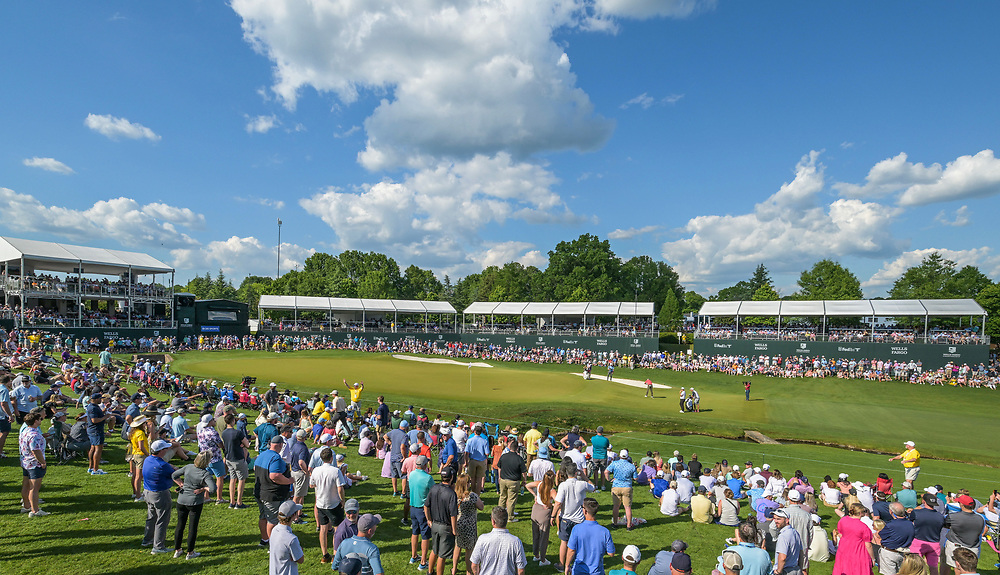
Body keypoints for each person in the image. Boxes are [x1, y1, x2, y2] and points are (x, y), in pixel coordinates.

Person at [171, 451, 216, 559]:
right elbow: (213, 489)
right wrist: (203, 488)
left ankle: (177, 550)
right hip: (195, 503)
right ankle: (190, 552)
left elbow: (174, 475)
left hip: (181, 500)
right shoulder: (205, 474)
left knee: (180, 525)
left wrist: (181, 484)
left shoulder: (188, 467)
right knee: (192, 527)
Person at [552, 460, 596, 571]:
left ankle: (562, 565)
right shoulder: (582, 484)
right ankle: (577, 564)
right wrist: (585, 477)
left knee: (564, 542)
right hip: (579, 519)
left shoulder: (563, 485)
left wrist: (553, 516)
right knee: (578, 543)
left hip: (566, 518)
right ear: (576, 472)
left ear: (567, 473)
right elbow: (593, 487)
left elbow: (558, 502)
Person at [255, 435, 293, 547]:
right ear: (281, 445)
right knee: (272, 520)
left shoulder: (262, 455)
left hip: (259, 492)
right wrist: (289, 481)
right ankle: (273, 545)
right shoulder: (276, 458)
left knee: (262, 517)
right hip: (271, 494)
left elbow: (254, 468)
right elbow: (275, 476)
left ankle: (264, 539)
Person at [311, 447, 346, 563]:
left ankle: (325, 555)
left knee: (323, 529)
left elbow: (312, 485)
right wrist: (343, 500)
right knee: (337, 530)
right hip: (334, 503)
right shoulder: (335, 471)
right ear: (331, 458)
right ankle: (336, 554)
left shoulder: (316, 470)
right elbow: (340, 488)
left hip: (321, 503)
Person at [470, 506, 528, 575]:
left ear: (493, 521)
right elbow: (521, 570)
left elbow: (474, 565)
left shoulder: (482, 539)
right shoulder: (516, 541)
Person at [142, 439, 176, 554]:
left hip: (147, 492)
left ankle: (147, 539)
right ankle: (158, 546)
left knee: (151, 517)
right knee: (162, 519)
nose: (167, 450)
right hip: (160, 494)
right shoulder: (162, 465)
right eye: (166, 448)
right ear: (161, 451)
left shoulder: (148, 460)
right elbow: (174, 475)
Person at [565, 498, 615, 575]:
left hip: (579, 570)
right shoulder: (605, 532)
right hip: (597, 572)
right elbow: (611, 553)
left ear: (585, 511)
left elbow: (571, 550)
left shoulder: (577, 529)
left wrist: (567, 565)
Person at [426, 466, 459, 575]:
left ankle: (430, 572)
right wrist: (454, 530)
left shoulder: (434, 488)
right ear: (451, 477)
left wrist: (429, 520)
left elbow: (426, 506)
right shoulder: (451, 494)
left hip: (434, 524)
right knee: (442, 555)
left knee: (434, 550)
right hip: (446, 527)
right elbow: (453, 514)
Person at [942, 495, 986, 575]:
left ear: (962, 504)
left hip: (956, 546)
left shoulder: (953, 517)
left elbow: (945, 525)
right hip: (973, 548)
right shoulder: (981, 518)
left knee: (957, 569)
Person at [19, 410, 48, 517]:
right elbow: (35, 450)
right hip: (34, 464)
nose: (41, 420)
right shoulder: (34, 435)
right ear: (35, 421)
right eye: (40, 419)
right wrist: (43, 462)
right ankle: (35, 510)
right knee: (34, 488)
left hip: (25, 462)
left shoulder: (24, 432)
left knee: (26, 485)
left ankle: (26, 506)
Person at [832, 503, 875, 575]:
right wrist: (873, 558)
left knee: (844, 568)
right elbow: (868, 545)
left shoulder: (843, 520)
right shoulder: (864, 527)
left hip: (844, 549)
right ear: (860, 513)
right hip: (858, 552)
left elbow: (840, 534)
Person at [408, 455, 435, 570]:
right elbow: (434, 492)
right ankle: (423, 562)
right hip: (423, 509)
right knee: (425, 535)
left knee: (415, 532)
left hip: (413, 507)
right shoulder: (428, 478)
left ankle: (414, 556)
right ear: (425, 465)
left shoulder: (412, 474)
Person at [455, 472, 485, 573]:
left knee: (458, 547)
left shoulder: (455, 495)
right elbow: (481, 507)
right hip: (470, 525)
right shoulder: (472, 496)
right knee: (469, 550)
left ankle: (454, 569)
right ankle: (469, 571)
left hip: (458, 523)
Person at [527, 469, 557, 566]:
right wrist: (550, 504)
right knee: (544, 537)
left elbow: (527, 485)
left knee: (535, 535)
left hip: (535, 510)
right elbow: (558, 502)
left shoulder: (539, 484)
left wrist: (535, 495)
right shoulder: (552, 491)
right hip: (544, 513)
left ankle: (536, 555)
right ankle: (543, 560)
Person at [910, 494, 946, 575]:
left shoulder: (916, 513)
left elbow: (910, 522)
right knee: (934, 568)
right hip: (934, 544)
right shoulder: (940, 516)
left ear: (924, 501)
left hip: (918, 542)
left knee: (915, 567)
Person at [876, 502, 915, 575]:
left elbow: (880, 535)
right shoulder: (910, 524)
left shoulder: (891, 525)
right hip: (903, 552)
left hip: (890, 553)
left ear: (891, 511)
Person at [221, 412, 250, 509]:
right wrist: (242, 444)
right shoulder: (238, 433)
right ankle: (239, 502)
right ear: (233, 421)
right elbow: (248, 444)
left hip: (229, 458)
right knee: (241, 480)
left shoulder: (224, 433)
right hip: (238, 458)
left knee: (232, 479)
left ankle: (232, 502)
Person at [270, 501, 306, 575]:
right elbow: (300, 560)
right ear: (293, 515)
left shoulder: (274, 530)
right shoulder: (292, 539)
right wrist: (300, 549)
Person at [605, 448, 637, 530]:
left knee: (616, 506)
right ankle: (629, 526)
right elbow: (635, 478)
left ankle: (615, 524)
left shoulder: (615, 463)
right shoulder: (631, 466)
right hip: (627, 487)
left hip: (616, 487)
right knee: (627, 507)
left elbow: (606, 471)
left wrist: (609, 479)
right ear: (627, 456)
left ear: (620, 455)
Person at [498, 435, 527, 521]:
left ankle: (499, 515)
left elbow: (499, 467)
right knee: (511, 499)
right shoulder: (519, 459)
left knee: (502, 497)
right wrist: (524, 481)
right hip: (514, 481)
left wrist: (499, 477)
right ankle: (510, 517)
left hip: (503, 479)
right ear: (517, 448)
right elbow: (524, 472)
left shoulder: (503, 456)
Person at [86, 392, 115, 475]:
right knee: (98, 449)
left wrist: (105, 409)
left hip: (93, 430)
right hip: (96, 430)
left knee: (92, 448)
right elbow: (94, 420)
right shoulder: (93, 408)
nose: (101, 400)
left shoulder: (93, 407)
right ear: (95, 399)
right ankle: (96, 469)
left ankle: (91, 467)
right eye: (99, 398)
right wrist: (105, 417)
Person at [128, 414, 152, 501]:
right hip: (140, 455)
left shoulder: (134, 432)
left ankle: (135, 493)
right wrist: (148, 455)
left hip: (134, 454)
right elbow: (141, 446)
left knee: (134, 476)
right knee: (139, 476)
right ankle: (138, 496)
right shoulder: (140, 433)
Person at [773, 509, 804, 575]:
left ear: (787, 520)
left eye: (778, 519)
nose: (775, 521)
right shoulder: (795, 533)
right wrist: (800, 569)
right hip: (796, 569)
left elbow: (782, 557)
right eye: (774, 518)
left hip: (785, 571)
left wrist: (778, 572)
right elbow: (801, 553)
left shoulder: (783, 536)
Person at [0, 375, 16, 458]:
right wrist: (9, 415)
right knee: (4, 433)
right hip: (2, 415)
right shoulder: (4, 390)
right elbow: (3, 403)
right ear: (8, 381)